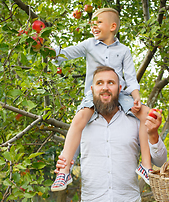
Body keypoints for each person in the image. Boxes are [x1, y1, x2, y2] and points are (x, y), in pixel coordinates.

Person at [55, 66, 167, 202]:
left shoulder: (135, 120)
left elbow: (160, 161)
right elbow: (69, 155)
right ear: (92, 89)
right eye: (100, 83)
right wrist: (63, 165)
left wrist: (153, 134)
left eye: (110, 83)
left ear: (119, 88)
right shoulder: (82, 122)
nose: (105, 87)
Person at [51, 8, 152, 191]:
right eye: (92, 23)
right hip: (95, 95)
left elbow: (130, 78)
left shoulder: (123, 50)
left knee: (145, 114)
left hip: (119, 94)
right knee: (79, 119)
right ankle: (64, 171)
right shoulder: (89, 44)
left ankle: (146, 166)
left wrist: (136, 98)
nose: (93, 26)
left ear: (112, 26)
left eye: (98, 22)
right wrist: (48, 50)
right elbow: (65, 54)